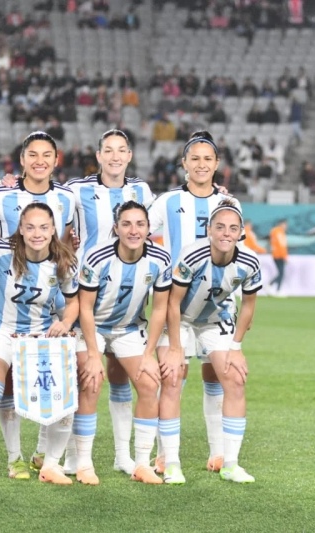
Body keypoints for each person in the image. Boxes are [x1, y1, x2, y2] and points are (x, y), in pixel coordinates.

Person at [0, 131, 75, 479]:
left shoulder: (68, 196)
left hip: (49, 306)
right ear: (22, 160)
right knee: (1, 384)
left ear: (56, 159)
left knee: (49, 382)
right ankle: (13, 458)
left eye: (46, 155)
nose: (39, 161)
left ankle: (42, 455)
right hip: (5, 300)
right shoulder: (0, 195)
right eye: (32, 154)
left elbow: (66, 242)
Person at [147, 130, 240, 475]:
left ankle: (218, 454)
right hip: (177, 308)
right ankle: (164, 455)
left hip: (217, 308)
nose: (201, 165)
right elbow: (138, 233)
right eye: (194, 158)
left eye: (208, 159)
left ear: (217, 164)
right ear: (184, 163)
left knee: (217, 375)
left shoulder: (230, 205)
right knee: (174, 377)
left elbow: (237, 255)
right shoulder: (167, 201)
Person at [65, 129, 155, 475]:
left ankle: (124, 457)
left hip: (127, 301)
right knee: (86, 378)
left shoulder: (142, 191)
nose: (115, 156)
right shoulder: (78, 190)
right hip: (87, 294)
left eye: (121, 150)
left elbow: (154, 224)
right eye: (108, 150)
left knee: (121, 379)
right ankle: (73, 455)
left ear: (129, 156)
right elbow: (49, 214)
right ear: (98, 155)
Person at [0, 203, 79, 486]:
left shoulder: (63, 261)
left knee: (63, 399)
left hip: (40, 336)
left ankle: (50, 464)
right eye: (30, 227)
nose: (36, 233)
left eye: (43, 227)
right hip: (0, 330)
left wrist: (65, 323)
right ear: (20, 228)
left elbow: (73, 302)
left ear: (53, 229)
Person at [161, 200, 262, 484]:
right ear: (209, 230)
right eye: (219, 227)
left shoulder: (250, 261)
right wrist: (174, 348)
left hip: (215, 320)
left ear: (241, 232)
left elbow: (249, 308)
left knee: (235, 379)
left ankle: (230, 463)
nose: (225, 233)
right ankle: (171, 462)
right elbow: (173, 302)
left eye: (232, 228)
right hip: (180, 319)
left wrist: (236, 347)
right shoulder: (192, 255)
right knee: (171, 378)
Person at [74, 201, 171, 485]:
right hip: (91, 327)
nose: (133, 230)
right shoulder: (97, 257)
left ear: (148, 229)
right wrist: (93, 353)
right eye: (126, 224)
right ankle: (83, 462)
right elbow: (85, 308)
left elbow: (160, 309)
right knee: (91, 381)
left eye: (140, 224)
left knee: (149, 383)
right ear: (116, 228)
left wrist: (149, 353)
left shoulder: (160, 259)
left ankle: (141, 462)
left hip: (128, 328)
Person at [269, 219, 288, 295]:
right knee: (282, 273)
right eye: (285, 225)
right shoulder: (279, 232)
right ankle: (277, 289)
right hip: (279, 255)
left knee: (281, 273)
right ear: (281, 224)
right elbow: (281, 245)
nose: (286, 226)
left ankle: (272, 286)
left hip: (275, 254)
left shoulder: (274, 231)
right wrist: (285, 256)